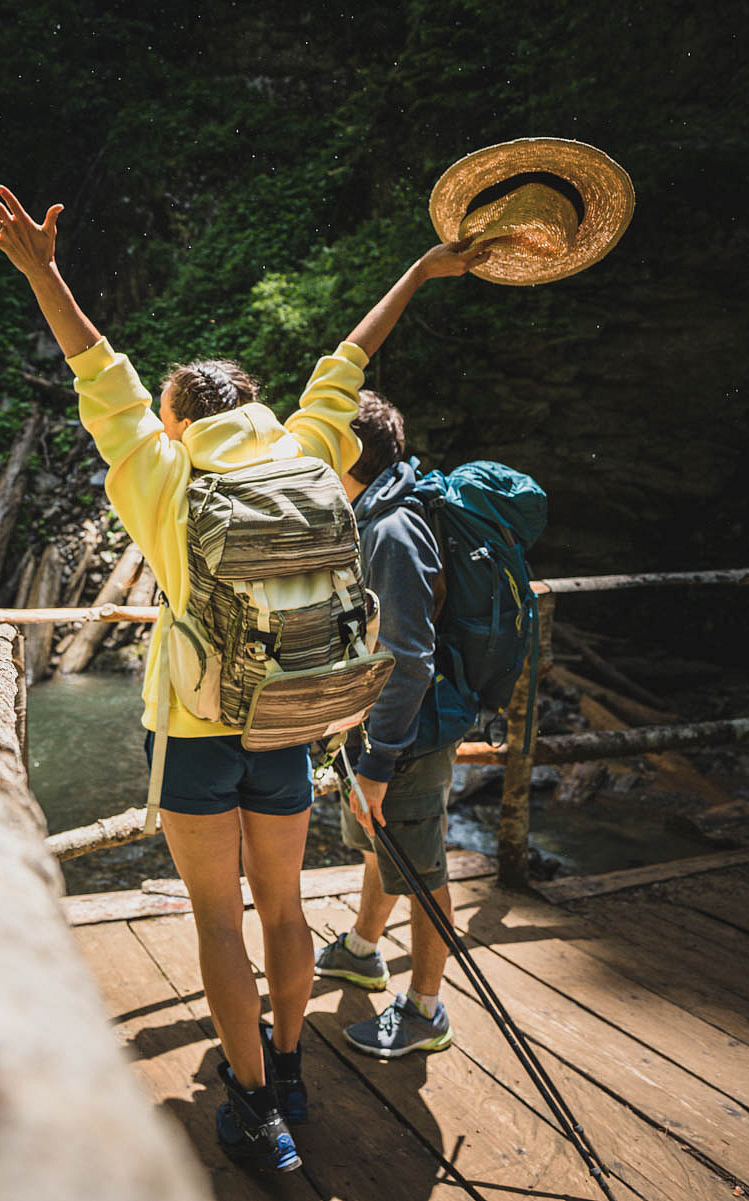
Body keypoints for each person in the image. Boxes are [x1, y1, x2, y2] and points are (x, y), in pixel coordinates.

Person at [0, 184, 478, 1168]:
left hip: (198, 725)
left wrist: (41, 269)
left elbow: (94, 365)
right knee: (285, 908)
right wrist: (419, 268)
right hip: (291, 715)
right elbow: (351, 361)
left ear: (174, 417)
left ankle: (253, 1109)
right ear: (251, 400)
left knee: (218, 918)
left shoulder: (162, 471)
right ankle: (290, 1064)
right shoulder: (307, 447)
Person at [317, 386, 463, 1058]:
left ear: (349, 453)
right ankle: (363, 949)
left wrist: (377, 764)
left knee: (421, 862)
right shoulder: (369, 514)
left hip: (408, 732)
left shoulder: (391, 529)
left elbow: (408, 659)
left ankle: (425, 1010)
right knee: (385, 843)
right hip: (380, 728)